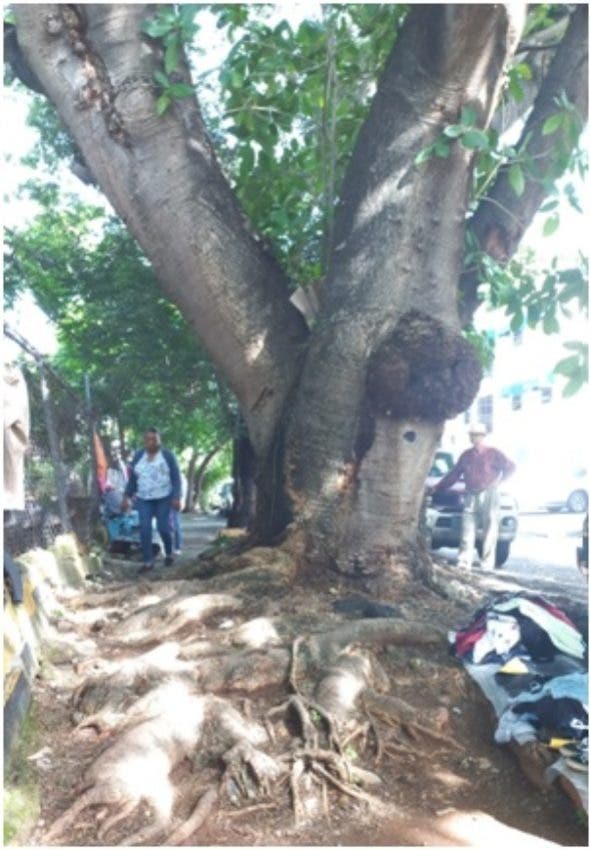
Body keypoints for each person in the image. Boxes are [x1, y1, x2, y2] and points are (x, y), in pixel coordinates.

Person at [429, 422, 515, 571]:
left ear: (483, 436)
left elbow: (510, 467)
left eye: (476, 435)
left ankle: (487, 563)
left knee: (490, 528)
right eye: (472, 435)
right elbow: (454, 474)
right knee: (467, 528)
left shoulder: (494, 453)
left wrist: (499, 482)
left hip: (489, 493)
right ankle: (464, 562)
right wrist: (438, 487)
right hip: (470, 493)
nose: (473, 438)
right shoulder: (466, 455)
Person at [121, 428, 181, 575]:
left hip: (163, 497)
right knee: (145, 528)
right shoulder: (138, 456)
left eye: (154, 439)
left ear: (159, 440)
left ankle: (168, 553)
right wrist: (126, 497)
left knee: (163, 527)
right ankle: (148, 561)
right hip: (143, 498)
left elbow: (175, 477)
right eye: (148, 439)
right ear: (144, 441)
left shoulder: (167, 455)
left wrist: (176, 496)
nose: (151, 442)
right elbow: (133, 480)